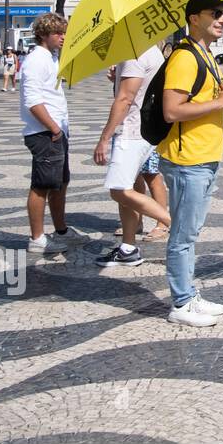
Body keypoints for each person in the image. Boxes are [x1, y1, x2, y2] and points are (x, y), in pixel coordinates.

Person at [159, 0, 223, 328]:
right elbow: (172, 110)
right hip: (187, 159)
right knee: (182, 235)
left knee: (190, 233)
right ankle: (180, 303)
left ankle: (189, 294)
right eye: (215, 13)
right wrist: (220, 103)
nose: (222, 19)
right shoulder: (184, 58)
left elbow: (207, 100)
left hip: (204, 156)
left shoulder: (205, 54)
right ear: (194, 18)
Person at [92, 45, 173, 267]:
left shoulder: (133, 53)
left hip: (131, 131)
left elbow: (125, 98)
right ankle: (128, 248)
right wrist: (118, 78)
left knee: (119, 190)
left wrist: (104, 137)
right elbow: (141, 88)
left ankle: (172, 224)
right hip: (144, 128)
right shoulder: (152, 50)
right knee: (126, 184)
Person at [19, 13, 78, 254]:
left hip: (56, 131)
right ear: (43, 34)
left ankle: (61, 229)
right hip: (44, 132)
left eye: (64, 32)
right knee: (42, 185)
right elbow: (33, 100)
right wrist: (53, 128)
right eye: (58, 33)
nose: (63, 37)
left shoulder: (51, 58)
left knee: (60, 183)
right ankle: (37, 239)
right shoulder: (36, 60)